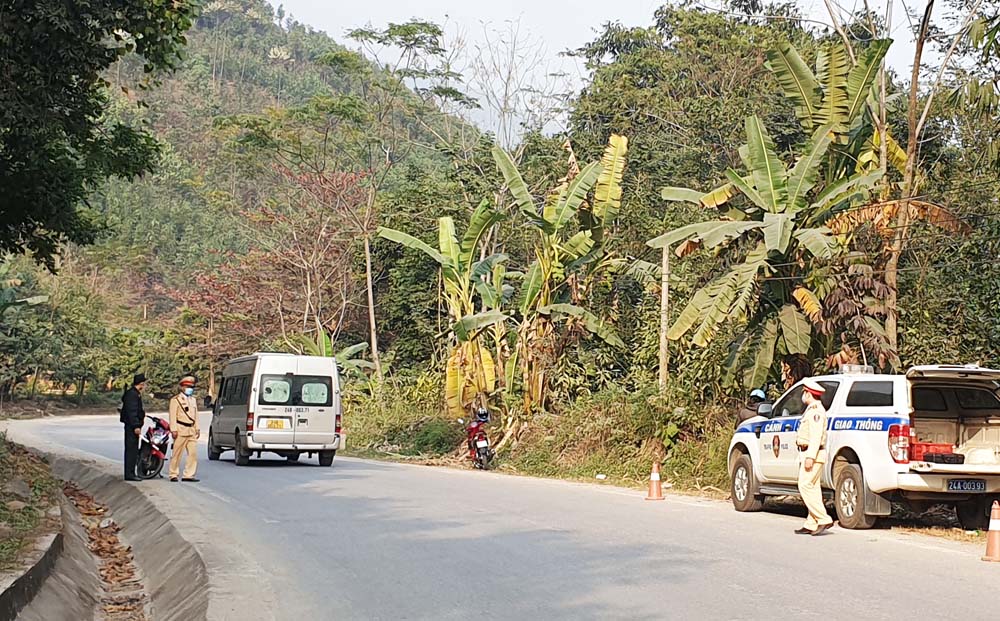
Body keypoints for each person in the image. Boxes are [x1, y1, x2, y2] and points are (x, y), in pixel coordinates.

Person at [795, 379, 834, 536]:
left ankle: (823, 518)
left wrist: (810, 457)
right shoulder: (811, 410)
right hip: (809, 453)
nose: (803, 396)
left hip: (813, 454)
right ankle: (811, 523)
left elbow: (816, 436)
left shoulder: (816, 411)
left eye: (804, 393)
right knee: (813, 487)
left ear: (808, 393)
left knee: (804, 485)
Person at [168, 375, 201, 483]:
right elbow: (173, 416)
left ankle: (189, 475)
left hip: (191, 430)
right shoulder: (176, 400)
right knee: (177, 454)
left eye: (191, 386)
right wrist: (173, 429)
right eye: (187, 386)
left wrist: (197, 428)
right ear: (182, 387)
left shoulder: (193, 400)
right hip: (180, 429)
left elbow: (195, 415)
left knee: (193, 454)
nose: (190, 389)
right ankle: (173, 474)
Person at [120, 373, 147, 482]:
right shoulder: (132, 395)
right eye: (144, 384)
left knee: (134, 449)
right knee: (131, 450)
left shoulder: (135, 394)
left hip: (133, 425)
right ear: (140, 384)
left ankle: (131, 472)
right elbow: (132, 411)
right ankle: (129, 474)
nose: (144, 386)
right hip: (132, 427)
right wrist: (136, 425)